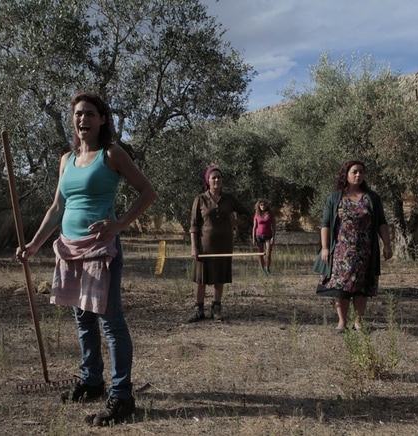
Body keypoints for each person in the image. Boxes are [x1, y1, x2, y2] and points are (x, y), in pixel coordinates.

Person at [16, 92, 157, 426]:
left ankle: (122, 395)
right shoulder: (66, 159)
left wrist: (119, 223)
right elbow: (57, 208)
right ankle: (92, 381)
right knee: (83, 319)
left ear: (103, 119)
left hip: (100, 251)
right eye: (78, 114)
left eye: (90, 114)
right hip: (69, 248)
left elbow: (148, 192)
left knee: (111, 322)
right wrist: (34, 245)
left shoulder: (111, 154)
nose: (83, 120)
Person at [312, 160, 392, 334]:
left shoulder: (372, 198)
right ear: (346, 174)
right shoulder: (335, 198)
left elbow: (381, 223)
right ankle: (342, 322)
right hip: (341, 252)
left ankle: (359, 322)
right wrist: (325, 248)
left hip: (366, 251)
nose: (358, 175)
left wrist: (387, 244)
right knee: (341, 288)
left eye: (361, 172)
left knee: (362, 287)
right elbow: (325, 224)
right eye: (354, 171)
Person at [187, 165, 251, 322]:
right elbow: (194, 225)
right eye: (213, 177)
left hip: (224, 244)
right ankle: (199, 309)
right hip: (204, 245)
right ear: (208, 181)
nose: (216, 180)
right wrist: (194, 247)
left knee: (219, 277)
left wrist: (236, 222)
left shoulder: (229, 199)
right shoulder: (200, 199)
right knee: (201, 278)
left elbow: (246, 213)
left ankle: (216, 308)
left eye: (219, 177)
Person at [252, 198, 276, 275]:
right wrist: (253, 238)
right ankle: (262, 270)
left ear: (266, 205)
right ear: (259, 206)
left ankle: (267, 269)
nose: (263, 206)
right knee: (260, 254)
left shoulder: (270, 214)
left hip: (268, 236)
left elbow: (274, 226)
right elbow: (254, 227)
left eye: (264, 205)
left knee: (268, 254)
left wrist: (273, 237)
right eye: (261, 205)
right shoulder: (256, 215)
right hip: (258, 236)